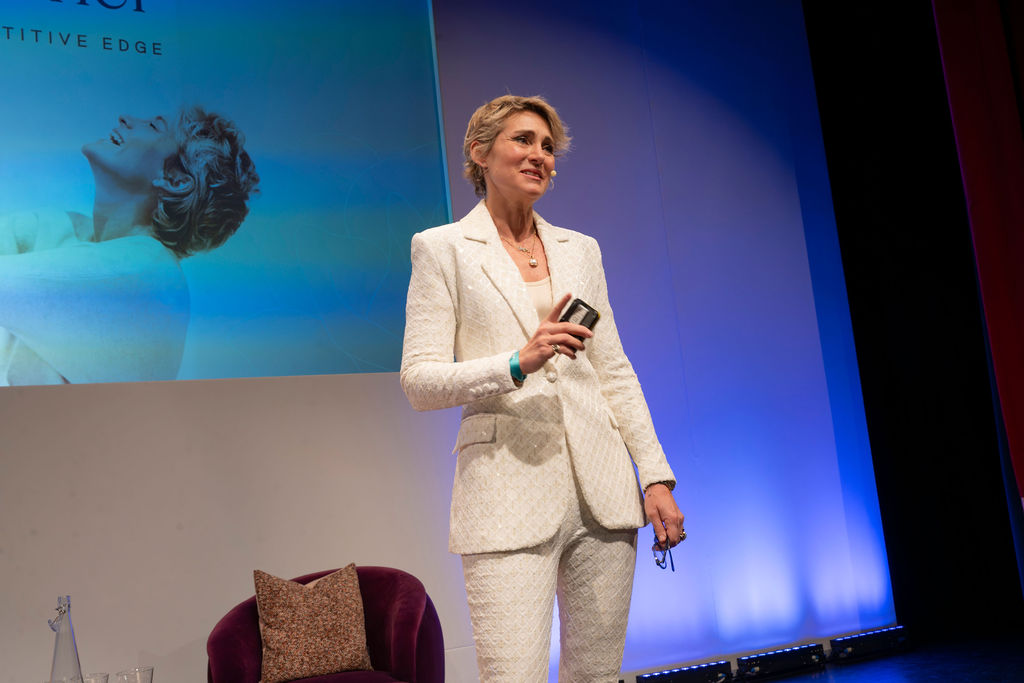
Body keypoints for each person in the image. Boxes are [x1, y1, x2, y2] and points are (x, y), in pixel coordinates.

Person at [400, 94, 684, 682]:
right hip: (505, 495)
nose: (540, 155)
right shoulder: (442, 248)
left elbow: (614, 370)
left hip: (602, 492)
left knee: (597, 676)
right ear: (480, 153)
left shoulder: (581, 250)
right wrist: (516, 362)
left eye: (548, 147)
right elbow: (419, 382)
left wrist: (655, 476)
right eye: (523, 140)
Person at [0, 107, 259, 385]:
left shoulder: (149, 274)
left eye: (154, 126)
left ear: (175, 180)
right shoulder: (63, 229)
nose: (125, 118)